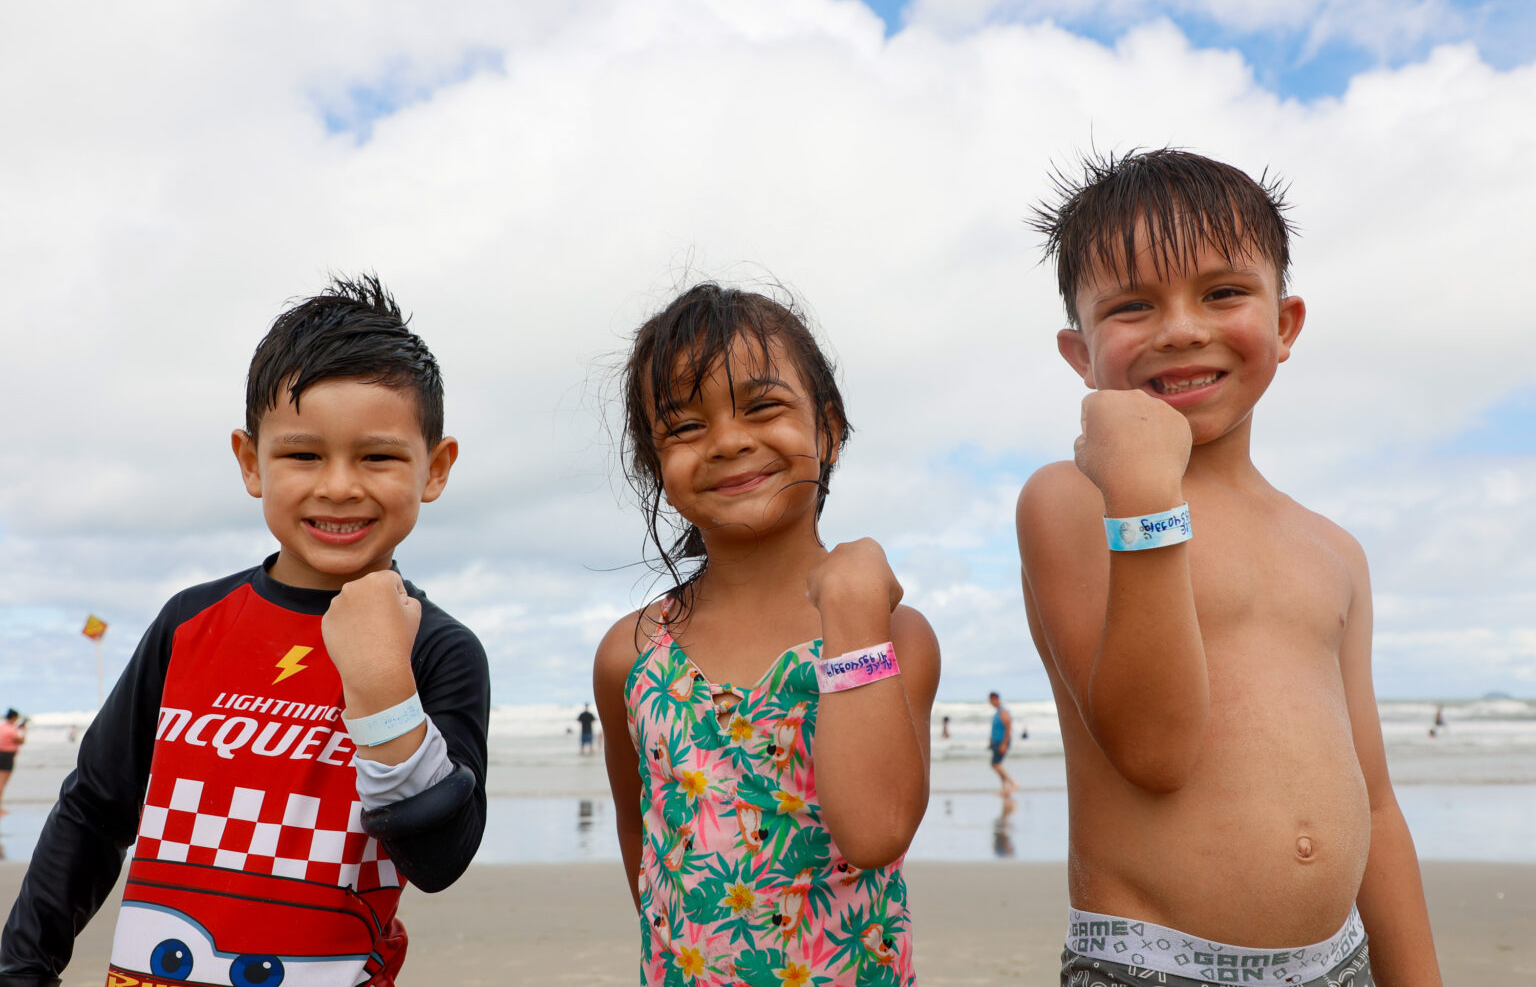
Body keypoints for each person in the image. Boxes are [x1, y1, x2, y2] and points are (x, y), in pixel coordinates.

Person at [1017, 149, 1440, 986]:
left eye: (1222, 292)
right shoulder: (1073, 501)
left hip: (1341, 964)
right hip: (1154, 968)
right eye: (1133, 305)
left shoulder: (1332, 549)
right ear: (1080, 353)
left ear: (1284, 326)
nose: (1181, 328)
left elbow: (1378, 808)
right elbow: (1155, 750)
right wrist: (1140, 488)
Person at [0, 276, 490, 987]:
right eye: (303, 455)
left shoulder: (441, 650)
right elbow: (95, 811)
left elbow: (439, 861)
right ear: (251, 461)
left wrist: (383, 682)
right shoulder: (188, 623)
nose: (340, 486)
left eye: (377, 457)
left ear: (435, 468)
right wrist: (23, 968)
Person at [593, 283, 940, 986]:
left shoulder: (890, 634)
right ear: (655, 465)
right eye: (685, 426)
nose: (728, 441)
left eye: (762, 406)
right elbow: (645, 849)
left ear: (828, 429)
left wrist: (850, 612)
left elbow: (876, 832)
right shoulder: (630, 655)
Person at [987, 692, 1018, 794]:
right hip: (996, 742)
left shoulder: (1003, 712)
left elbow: (1008, 728)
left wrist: (1004, 744)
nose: (990, 702)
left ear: (995, 699)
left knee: (995, 764)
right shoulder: (997, 712)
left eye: (991, 700)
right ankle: (1004, 788)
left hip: (1002, 742)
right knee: (998, 764)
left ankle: (1013, 783)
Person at [0, 711, 25, 815]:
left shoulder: (2, 727)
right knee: (2, 783)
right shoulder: (11, 730)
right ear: (13, 717)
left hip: (2, 754)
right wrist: (24, 730)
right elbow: (21, 741)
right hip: (6, 757)